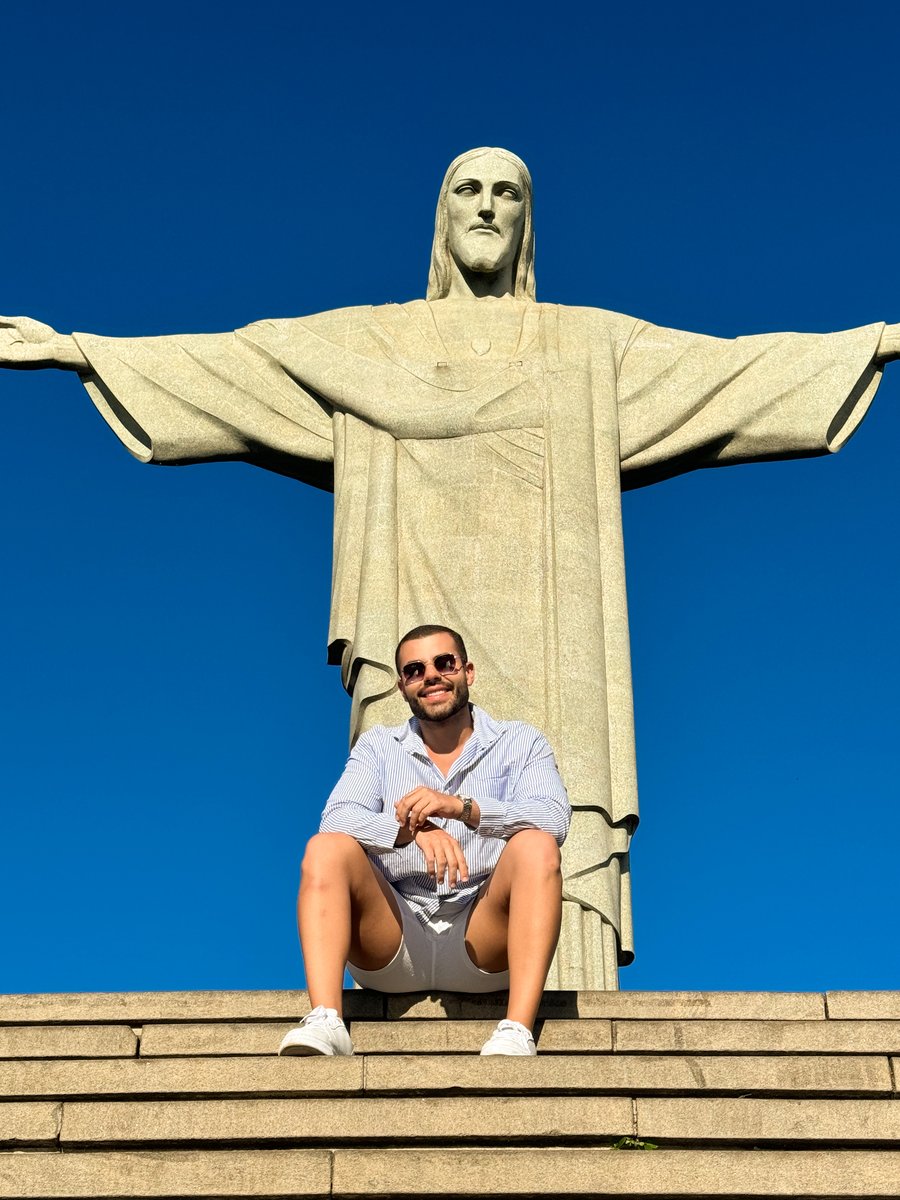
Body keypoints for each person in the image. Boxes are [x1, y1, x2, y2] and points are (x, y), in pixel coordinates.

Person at [1, 147, 898, 989]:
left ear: (528, 224)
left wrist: (872, 342)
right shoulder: (374, 345)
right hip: (412, 604)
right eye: (468, 190)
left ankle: (555, 1020)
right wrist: (82, 350)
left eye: (509, 193)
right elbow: (248, 358)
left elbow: (728, 372)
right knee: (389, 804)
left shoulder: (586, 346)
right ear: (441, 217)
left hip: (556, 626)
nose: (487, 207)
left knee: (554, 810)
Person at [278, 623, 570, 1057]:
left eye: (443, 663)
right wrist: (409, 830)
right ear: (402, 687)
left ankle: (517, 1028)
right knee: (326, 849)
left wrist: (460, 807)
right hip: (393, 938)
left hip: (483, 938)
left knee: (537, 846)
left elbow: (553, 817)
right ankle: (326, 1019)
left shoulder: (520, 741)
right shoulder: (378, 746)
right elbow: (336, 817)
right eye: (415, 670)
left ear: (467, 672)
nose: (430, 675)